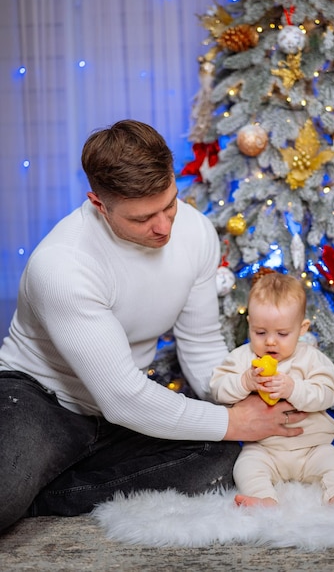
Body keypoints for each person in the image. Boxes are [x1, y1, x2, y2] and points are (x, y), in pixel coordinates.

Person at [0, 119, 306, 533]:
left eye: (169, 204)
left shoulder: (195, 231)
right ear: (98, 203)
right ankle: (25, 488)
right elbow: (122, 397)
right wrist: (235, 423)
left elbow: (199, 345)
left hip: (115, 416)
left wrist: (245, 397)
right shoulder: (62, 265)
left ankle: (43, 493)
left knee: (218, 462)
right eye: (143, 218)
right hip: (39, 399)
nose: (163, 227)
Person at [210, 271, 334, 507]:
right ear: (249, 324)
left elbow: (326, 394)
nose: (271, 341)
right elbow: (217, 389)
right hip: (265, 449)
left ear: (302, 328)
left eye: (282, 333)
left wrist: (293, 389)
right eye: (260, 332)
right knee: (245, 466)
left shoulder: (312, 358)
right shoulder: (242, 359)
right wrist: (244, 383)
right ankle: (263, 498)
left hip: (312, 448)